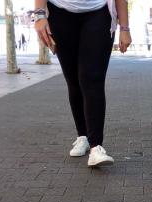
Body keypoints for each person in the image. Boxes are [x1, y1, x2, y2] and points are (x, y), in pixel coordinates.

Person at [34, 0, 132, 167]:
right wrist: (39, 16)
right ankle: (83, 136)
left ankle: (96, 147)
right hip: (60, 13)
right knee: (73, 79)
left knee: (93, 78)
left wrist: (124, 28)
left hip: (99, 12)